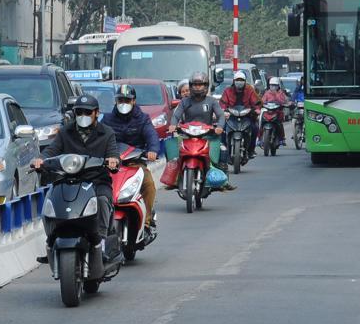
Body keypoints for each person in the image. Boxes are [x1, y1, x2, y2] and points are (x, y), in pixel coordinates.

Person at [32, 94, 120, 264]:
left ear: (96, 113)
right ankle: (51, 242)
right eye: (79, 112)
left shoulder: (107, 133)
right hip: (68, 181)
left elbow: (113, 154)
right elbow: (51, 150)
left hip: (96, 182)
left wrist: (113, 160)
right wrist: (40, 160)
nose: (83, 116)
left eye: (87, 112)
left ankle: (101, 243)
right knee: (50, 201)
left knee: (102, 200)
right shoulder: (65, 132)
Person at [100, 84, 160, 236]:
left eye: (127, 100)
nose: (123, 103)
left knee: (149, 185)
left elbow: (151, 135)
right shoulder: (107, 119)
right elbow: (98, 137)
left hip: (135, 163)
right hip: (111, 164)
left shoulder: (143, 119)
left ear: (134, 101)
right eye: (120, 100)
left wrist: (152, 150)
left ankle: (147, 221)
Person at [167, 71, 234, 191]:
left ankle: (224, 180)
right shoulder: (185, 101)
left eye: (201, 84)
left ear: (206, 85)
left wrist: (219, 126)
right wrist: (173, 125)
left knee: (222, 149)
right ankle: (174, 178)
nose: (198, 87)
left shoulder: (212, 101)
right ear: (191, 86)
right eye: (195, 85)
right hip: (186, 135)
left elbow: (221, 116)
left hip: (207, 135)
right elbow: (176, 115)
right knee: (171, 147)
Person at [219, 70, 261, 159]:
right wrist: (223, 110)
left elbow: (256, 102)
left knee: (255, 128)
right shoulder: (228, 91)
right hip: (231, 116)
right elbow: (223, 102)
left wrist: (256, 109)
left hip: (247, 116)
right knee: (221, 129)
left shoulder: (250, 90)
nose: (239, 82)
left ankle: (251, 150)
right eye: (237, 80)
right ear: (234, 81)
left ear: (245, 81)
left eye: (241, 80)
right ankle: (223, 149)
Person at [260, 76, 289, 147]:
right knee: (261, 123)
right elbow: (263, 101)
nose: (273, 87)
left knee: (279, 124)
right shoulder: (267, 93)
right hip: (268, 111)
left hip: (277, 112)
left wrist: (277, 95)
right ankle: (259, 139)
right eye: (271, 85)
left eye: (275, 85)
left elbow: (283, 101)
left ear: (278, 86)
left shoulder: (281, 93)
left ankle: (282, 139)